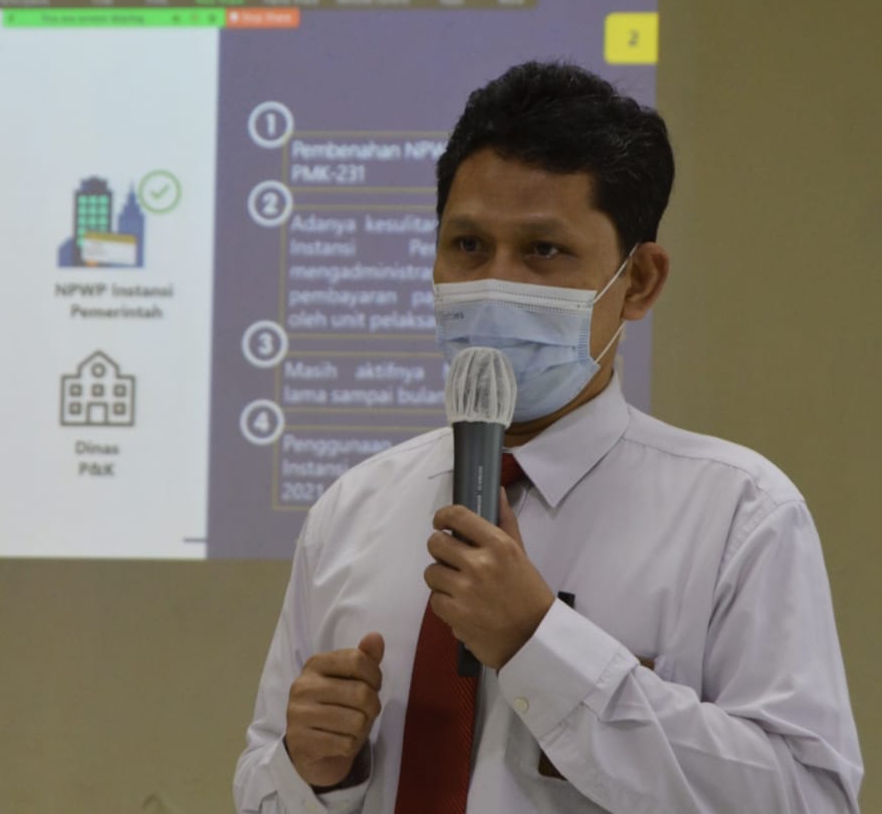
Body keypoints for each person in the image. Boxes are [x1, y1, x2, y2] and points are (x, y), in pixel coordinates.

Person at [233, 61, 863, 813]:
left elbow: (808, 797)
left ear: (639, 281)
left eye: (543, 251)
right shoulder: (351, 510)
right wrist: (313, 773)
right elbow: (261, 789)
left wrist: (541, 643)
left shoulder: (739, 514)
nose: (495, 283)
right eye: (468, 245)